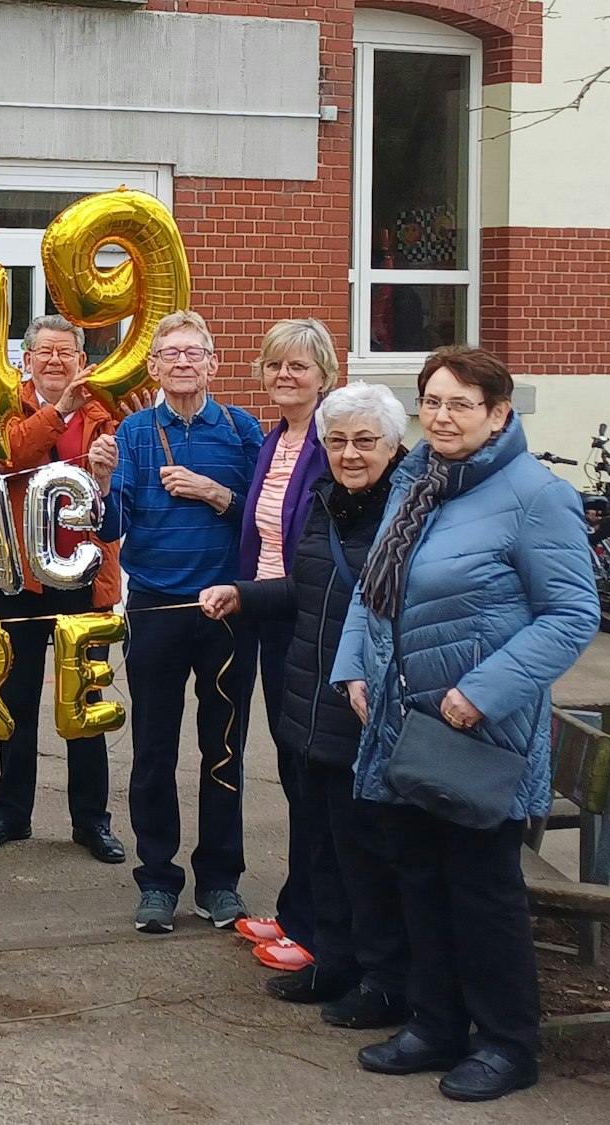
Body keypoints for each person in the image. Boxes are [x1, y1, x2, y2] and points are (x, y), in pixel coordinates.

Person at [332, 347, 597, 1102]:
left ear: (499, 414)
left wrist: (481, 691)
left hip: (479, 728)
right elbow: (372, 588)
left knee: (482, 888)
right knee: (418, 874)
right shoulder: (417, 481)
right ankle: (436, 1023)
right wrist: (353, 666)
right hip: (402, 720)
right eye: (433, 402)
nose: (443, 417)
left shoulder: (535, 495)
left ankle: (509, 1043)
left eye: (461, 404)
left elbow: (573, 613)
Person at [198, 381, 412, 1030]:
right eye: (338, 440)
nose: (349, 453)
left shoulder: (404, 513)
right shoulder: (326, 503)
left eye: (365, 441)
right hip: (309, 691)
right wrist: (245, 593)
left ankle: (384, 980)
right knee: (322, 840)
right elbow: (307, 587)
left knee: (365, 850)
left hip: (364, 703)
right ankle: (334, 959)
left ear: (394, 445)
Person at [89, 309, 264, 935]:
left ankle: (220, 882)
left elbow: (265, 522)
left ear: (213, 364)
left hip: (226, 610)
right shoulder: (133, 434)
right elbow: (111, 530)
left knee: (224, 752)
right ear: (155, 367)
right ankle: (157, 882)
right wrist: (103, 482)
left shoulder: (245, 433)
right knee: (153, 751)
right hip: (156, 608)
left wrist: (213, 492)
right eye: (171, 354)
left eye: (195, 352)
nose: (183, 362)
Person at [0, 315, 151, 861]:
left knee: (85, 700)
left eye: (64, 352)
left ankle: (91, 820)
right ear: (27, 360)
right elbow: (15, 454)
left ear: (82, 358)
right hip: (21, 578)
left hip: (86, 576)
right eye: (43, 351)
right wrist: (61, 407)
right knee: (15, 697)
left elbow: (131, 472)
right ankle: (10, 813)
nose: (53, 361)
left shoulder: (110, 412)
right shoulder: (3, 408)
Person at [229, 318, 337, 969]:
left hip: (309, 623)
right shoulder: (276, 439)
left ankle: (319, 925)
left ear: (324, 373)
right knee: (293, 771)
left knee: (312, 774)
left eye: (298, 366)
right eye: (275, 366)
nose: (285, 376)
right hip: (271, 619)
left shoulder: (330, 440)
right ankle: (298, 909)